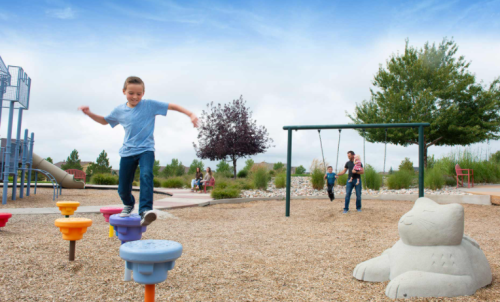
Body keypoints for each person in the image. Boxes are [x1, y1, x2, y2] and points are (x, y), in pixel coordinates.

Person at [78, 76, 198, 226]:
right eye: (131, 93)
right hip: (127, 152)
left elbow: (172, 106)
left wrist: (190, 114)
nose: (135, 97)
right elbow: (104, 121)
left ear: (143, 93)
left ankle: (145, 211)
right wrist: (89, 113)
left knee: (146, 174)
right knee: (123, 188)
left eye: (139, 94)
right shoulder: (119, 110)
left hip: (146, 149)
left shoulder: (149, 105)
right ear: (124, 92)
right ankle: (128, 203)